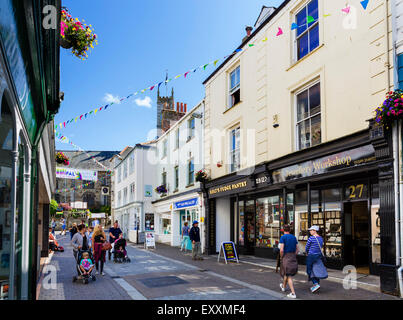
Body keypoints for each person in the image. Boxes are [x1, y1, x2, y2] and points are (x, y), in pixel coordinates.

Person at [279, 225, 298, 299]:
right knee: (286, 273)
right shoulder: (294, 237)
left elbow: (281, 250)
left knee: (288, 275)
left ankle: (293, 293)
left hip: (286, 256)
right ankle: (283, 286)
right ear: (290, 230)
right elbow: (297, 249)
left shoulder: (283, 237)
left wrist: (282, 256)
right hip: (293, 256)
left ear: (283, 230)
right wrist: (293, 255)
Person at [305, 225, 326, 293]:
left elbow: (307, 247)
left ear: (315, 231)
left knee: (309, 270)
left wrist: (306, 252)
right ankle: (317, 284)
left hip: (311, 255)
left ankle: (315, 283)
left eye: (311, 230)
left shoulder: (311, 238)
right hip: (318, 255)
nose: (310, 231)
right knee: (316, 269)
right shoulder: (321, 238)